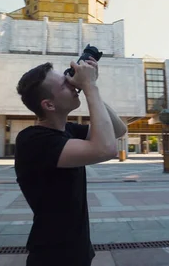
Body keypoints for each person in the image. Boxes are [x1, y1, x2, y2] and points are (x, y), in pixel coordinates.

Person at [15, 58, 127, 266]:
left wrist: (89, 88)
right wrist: (89, 86)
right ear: (48, 104)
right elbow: (106, 149)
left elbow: (118, 131)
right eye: (64, 84)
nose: (71, 84)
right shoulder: (32, 140)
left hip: (77, 252)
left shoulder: (69, 131)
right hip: (52, 257)